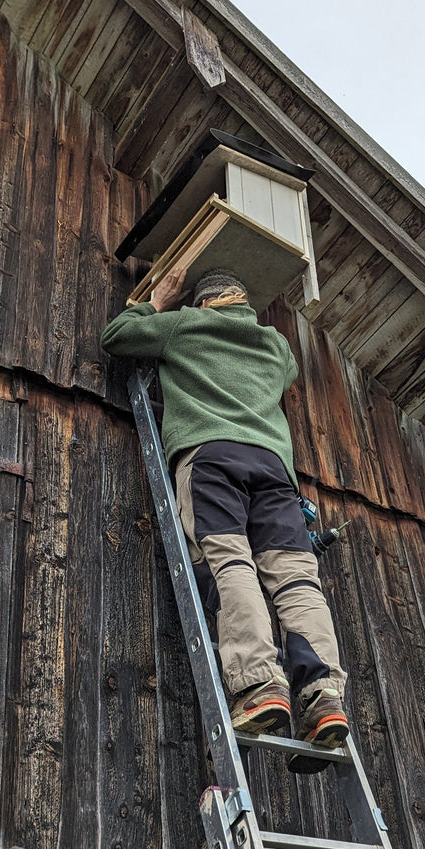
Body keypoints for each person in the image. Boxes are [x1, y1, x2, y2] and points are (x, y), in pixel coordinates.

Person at [102, 263, 348, 770]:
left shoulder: (185, 326)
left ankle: (260, 684)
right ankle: (322, 695)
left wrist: (160, 302)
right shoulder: (275, 346)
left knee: (229, 564)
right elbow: (290, 372)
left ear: (203, 303)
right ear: (243, 304)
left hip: (211, 458)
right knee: (299, 582)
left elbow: (118, 336)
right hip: (275, 471)